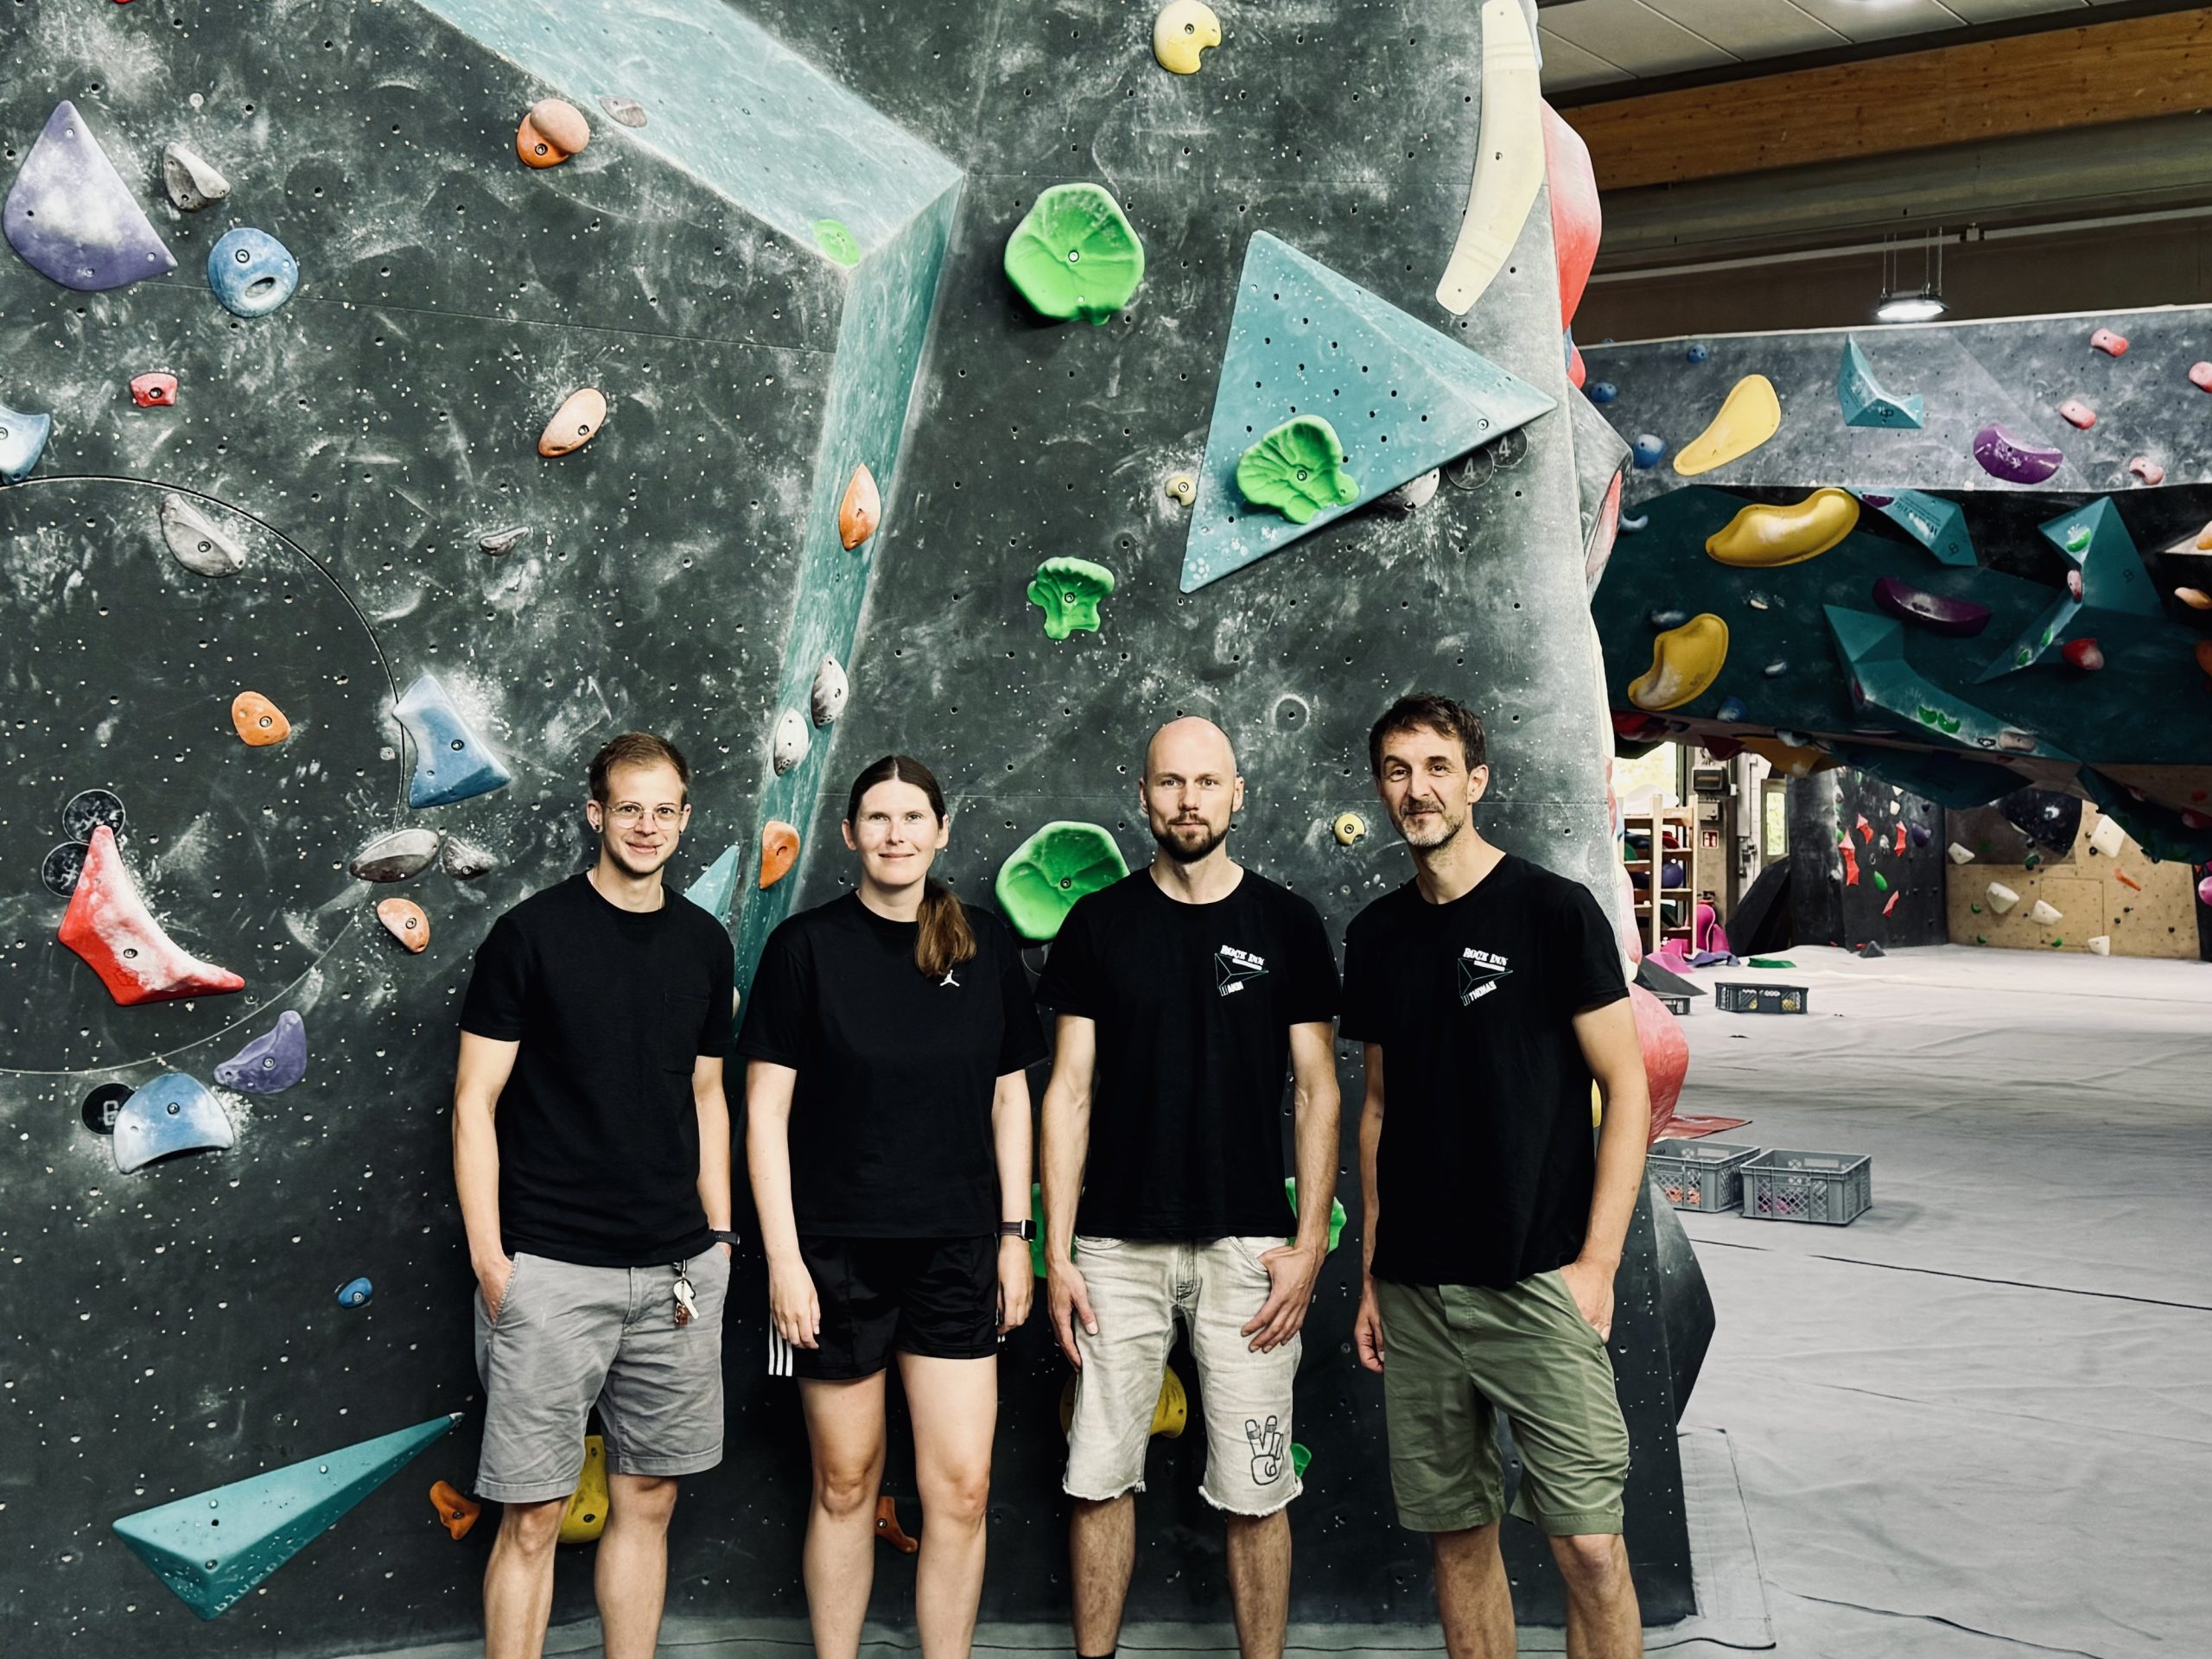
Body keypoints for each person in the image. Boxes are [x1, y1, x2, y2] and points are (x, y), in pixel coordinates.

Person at [1343, 694, 1652, 1659]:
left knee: (1593, 1552)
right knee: (1459, 1540)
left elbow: (1627, 1090)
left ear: (1476, 781)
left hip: (1537, 1281)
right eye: (1397, 769)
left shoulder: (1554, 913)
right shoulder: (1378, 934)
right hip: (1417, 1293)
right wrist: (1368, 1274)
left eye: (1436, 767)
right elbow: (1380, 1109)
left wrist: (1596, 1264)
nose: (1416, 788)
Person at [1038, 716, 1342, 1659]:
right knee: (1097, 1477)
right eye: (1170, 783)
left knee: (1258, 1489)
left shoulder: (1285, 922)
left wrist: (1309, 1242)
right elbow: (1069, 1091)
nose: (1188, 801)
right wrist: (1055, 1252)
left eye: (1207, 783)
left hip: (1249, 1247)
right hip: (1113, 1250)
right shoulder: (1098, 925)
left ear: (1237, 793)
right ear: (1143, 795)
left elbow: (1319, 1092)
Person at [740, 755, 1046, 1659]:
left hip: (957, 1251)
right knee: (844, 1482)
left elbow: (1010, 1100)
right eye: (877, 817)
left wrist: (1014, 1237)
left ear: (941, 832)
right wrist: (785, 1260)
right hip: (833, 1256)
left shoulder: (982, 946)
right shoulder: (806, 949)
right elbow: (764, 1114)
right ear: (850, 835)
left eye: (913, 817)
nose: (896, 833)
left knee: (958, 1489)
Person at [453, 732, 737, 1659]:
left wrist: (722, 1238)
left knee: (648, 1500)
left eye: (664, 809)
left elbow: (704, 1094)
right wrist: (495, 1263)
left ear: (685, 819)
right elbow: (474, 1101)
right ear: (594, 814)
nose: (647, 825)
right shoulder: (528, 937)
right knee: (532, 1515)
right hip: (550, 1272)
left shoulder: (704, 942)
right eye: (628, 807)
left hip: (676, 1276)